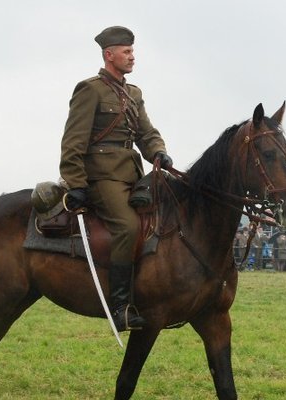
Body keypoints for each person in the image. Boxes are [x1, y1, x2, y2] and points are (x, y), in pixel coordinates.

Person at [59, 26, 172, 331]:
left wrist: (159, 152)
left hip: (132, 173)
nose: (132, 56)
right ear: (109, 55)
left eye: (133, 51)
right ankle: (120, 306)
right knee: (128, 226)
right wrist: (77, 184)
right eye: (126, 52)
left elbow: (146, 133)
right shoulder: (90, 89)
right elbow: (73, 141)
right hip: (101, 176)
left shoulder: (133, 93)